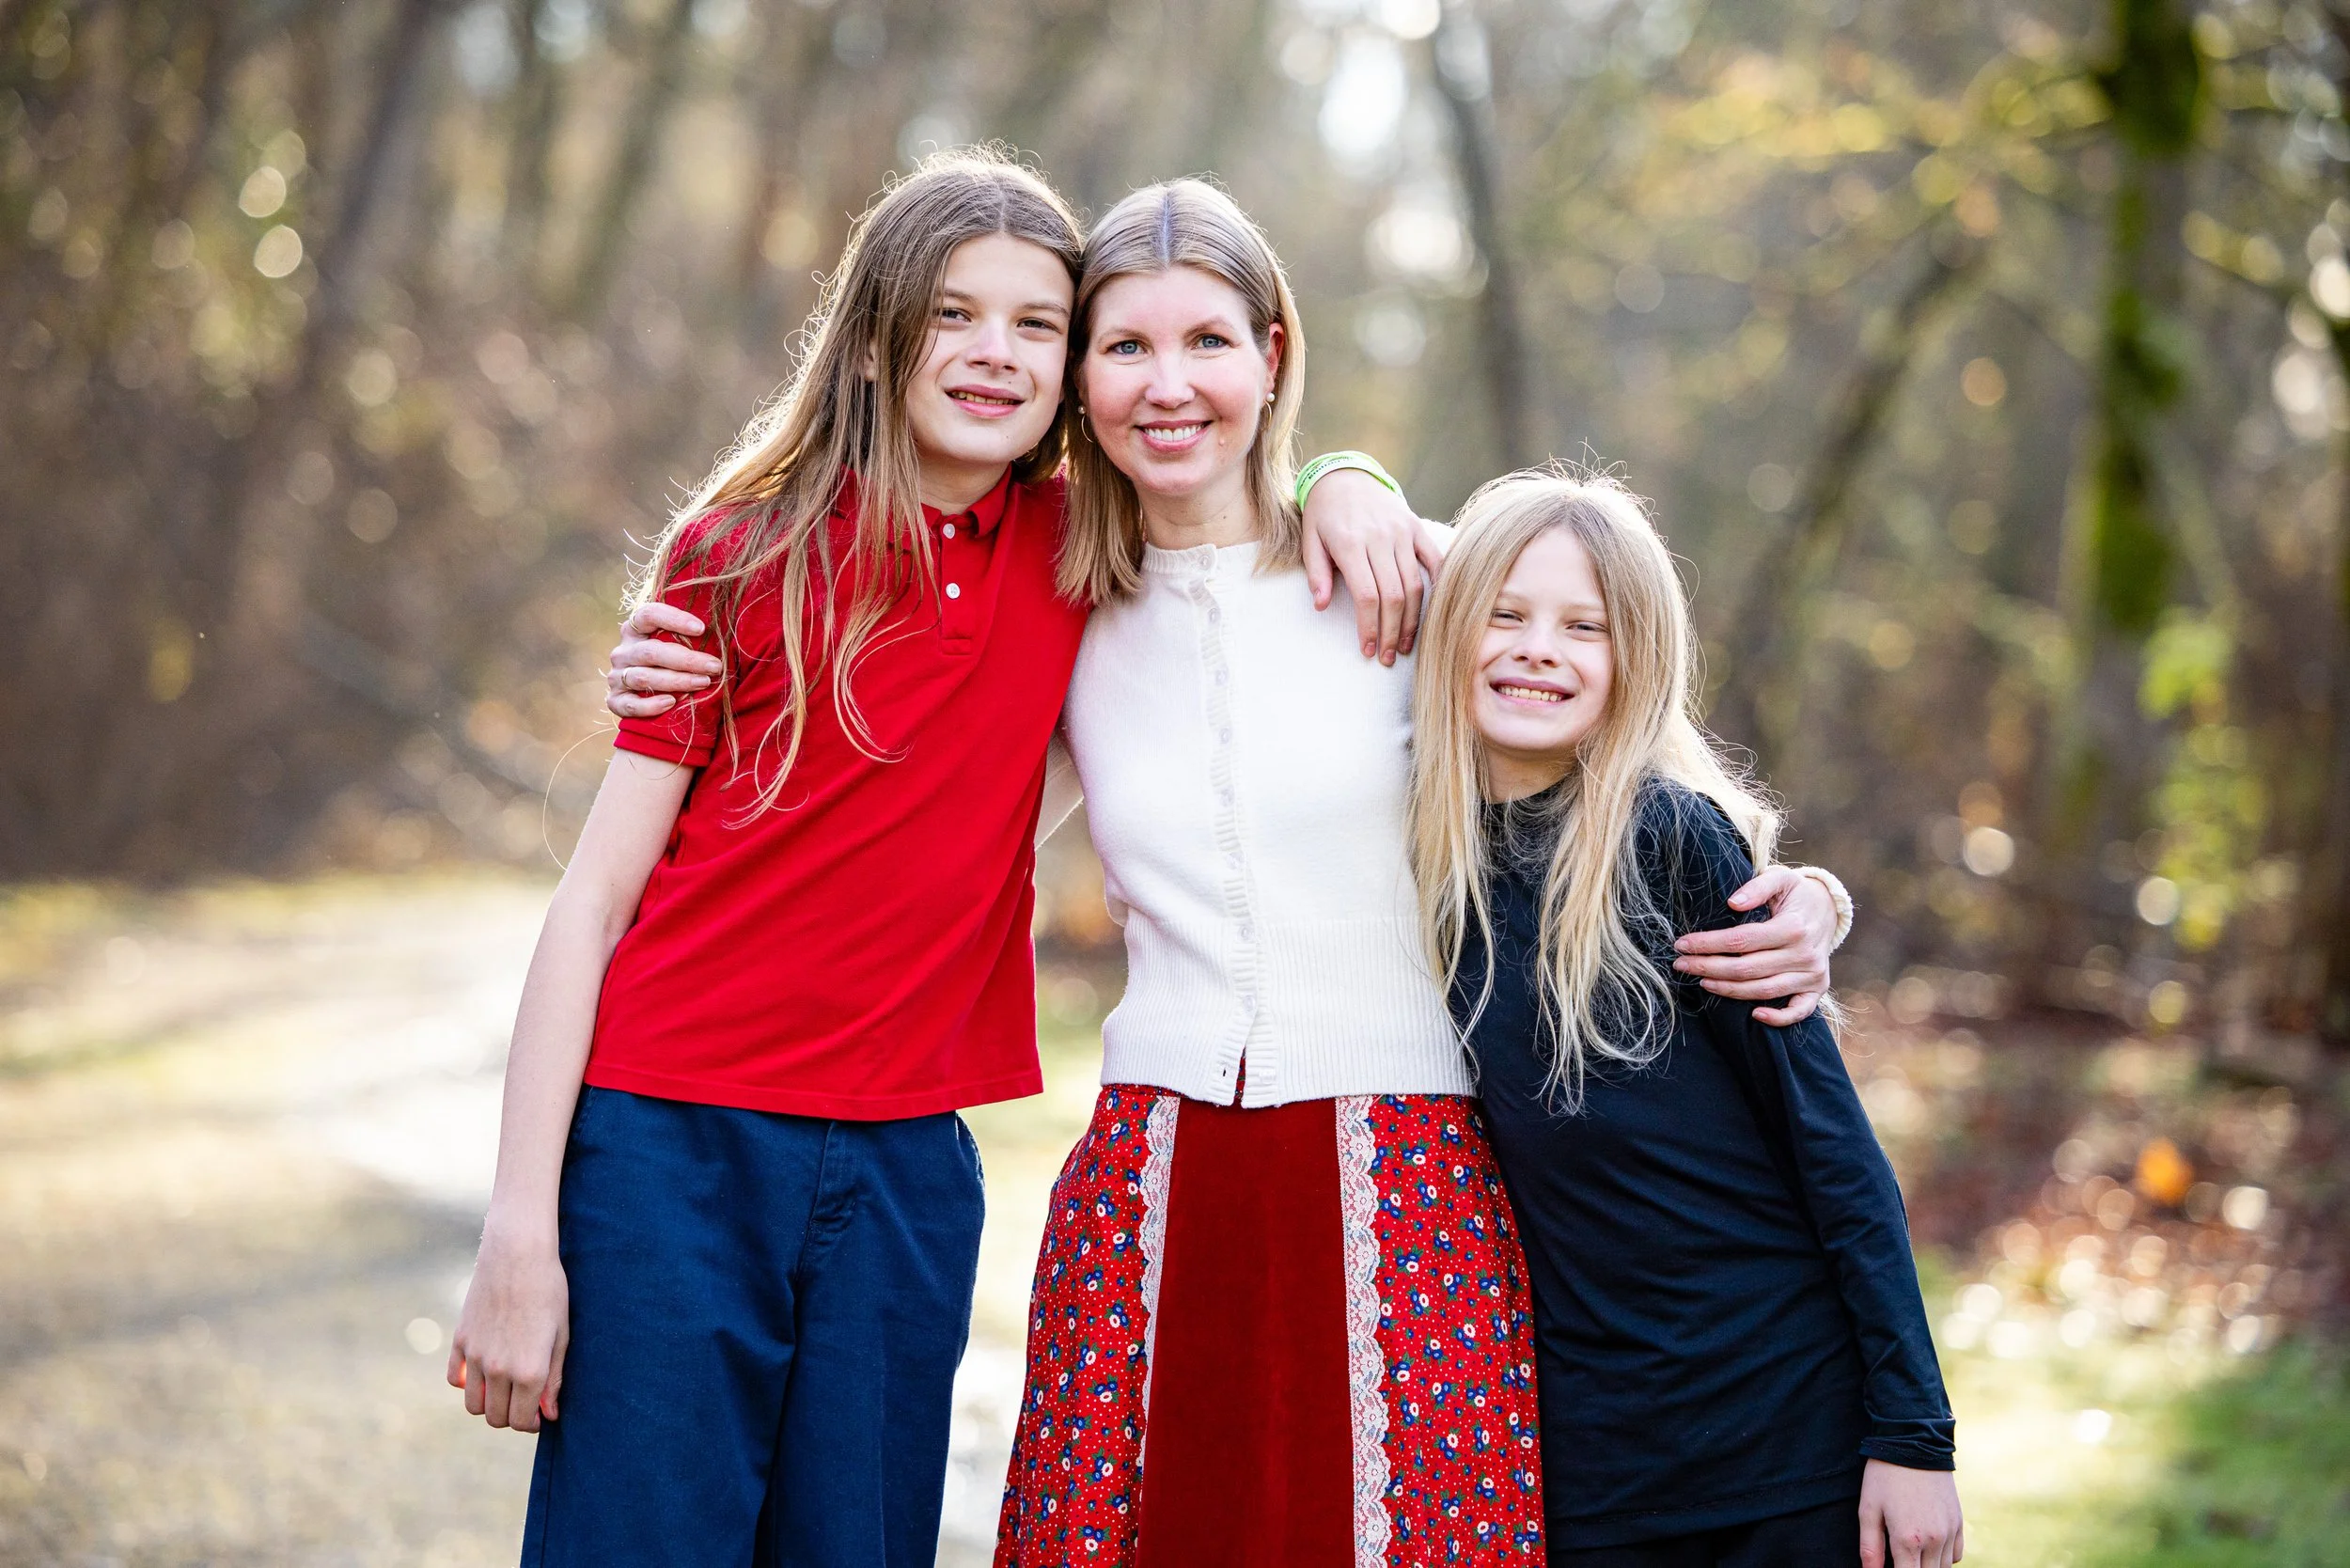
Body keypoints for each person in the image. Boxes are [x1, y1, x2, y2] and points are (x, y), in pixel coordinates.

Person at [447, 148, 1434, 1567]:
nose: (996, 353)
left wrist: (1353, 475)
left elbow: (1231, 510)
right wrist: (518, 1234)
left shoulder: (1081, 555)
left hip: (910, 1169)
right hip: (672, 1143)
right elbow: (594, 900)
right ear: (873, 341)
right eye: (955, 315)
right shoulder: (737, 552)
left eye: (1038, 324)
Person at [1406, 470, 1964, 1568]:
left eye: (1584, 628)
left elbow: (1833, 1154)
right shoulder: (1421, 859)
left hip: (1784, 1432)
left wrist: (1913, 1435)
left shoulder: (1668, 840)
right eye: (1505, 615)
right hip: (1590, 1453)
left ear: (1635, 663)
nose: (1537, 649)